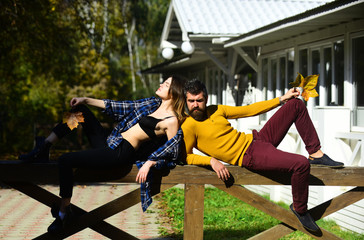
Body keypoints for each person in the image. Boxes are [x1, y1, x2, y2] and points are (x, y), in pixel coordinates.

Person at [19, 75, 187, 233]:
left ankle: (64, 212)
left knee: (65, 160)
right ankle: (45, 146)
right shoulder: (153, 103)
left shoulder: (171, 120)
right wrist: (86, 99)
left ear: (174, 92)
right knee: (79, 110)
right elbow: (122, 105)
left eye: (165, 84)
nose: (160, 85)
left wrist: (151, 162)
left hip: (120, 153)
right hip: (111, 141)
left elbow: (172, 151)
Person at [181, 79, 344, 233]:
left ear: (206, 99)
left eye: (199, 100)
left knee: (295, 104)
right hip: (250, 155)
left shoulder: (216, 110)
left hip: (258, 138)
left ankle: (315, 153)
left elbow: (249, 110)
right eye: (191, 101)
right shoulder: (189, 126)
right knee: (301, 164)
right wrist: (211, 161)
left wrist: (281, 99)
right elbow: (185, 156)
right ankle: (300, 209)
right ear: (186, 101)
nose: (195, 105)